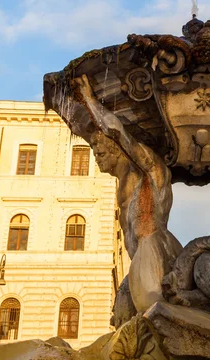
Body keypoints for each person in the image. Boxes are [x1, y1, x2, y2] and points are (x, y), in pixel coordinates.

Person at [72, 74, 183, 314]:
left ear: (116, 148)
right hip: (139, 261)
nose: (97, 158)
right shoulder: (121, 184)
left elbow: (119, 131)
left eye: (100, 153)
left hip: (154, 252)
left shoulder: (149, 170)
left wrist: (91, 101)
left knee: (155, 318)